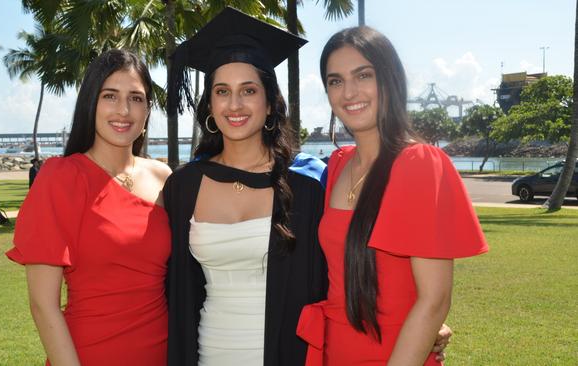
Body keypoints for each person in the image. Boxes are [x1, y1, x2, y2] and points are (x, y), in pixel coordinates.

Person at [164, 8, 451, 366]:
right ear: (210, 103)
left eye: (248, 90)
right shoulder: (183, 187)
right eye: (222, 91)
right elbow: (162, 281)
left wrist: (427, 317)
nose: (234, 104)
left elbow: (345, 268)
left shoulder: (309, 183)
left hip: (292, 356)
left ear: (270, 104)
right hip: (208, 354)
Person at [297, 26, 489, 365]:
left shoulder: (419, 164)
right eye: (335, 81)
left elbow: (434, 300)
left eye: (363, 75)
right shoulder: (338, 166)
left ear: (390, 79)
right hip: (334, 352)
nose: (349, 92)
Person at [6, 49, 171, 366]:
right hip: (88, 354)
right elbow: (43, 304)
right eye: (110, 96)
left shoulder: (164, 178)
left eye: (136, 98)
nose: (123, 110)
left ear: (148, 110)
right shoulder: (61, 178)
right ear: (91, 103)